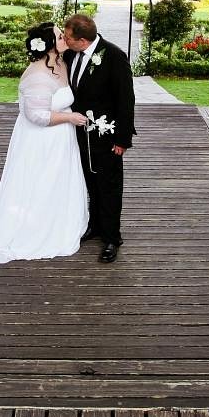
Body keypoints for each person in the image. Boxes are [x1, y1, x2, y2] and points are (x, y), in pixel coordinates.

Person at [0, 22, 90, 263]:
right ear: (47, 45)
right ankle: (34, 229)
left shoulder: (61, 62)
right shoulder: (37, 75)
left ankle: (58, 220)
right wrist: (70, 117)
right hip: (41, 140)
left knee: (55, 181)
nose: (65, 37)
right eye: (59, 36)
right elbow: (38, 116)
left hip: (59, 141)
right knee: (39, 181)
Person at [62, 14, 136, 263]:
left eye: (67, 36)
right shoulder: (70, 55)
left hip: (106, 138)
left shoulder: (114, 56)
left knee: (109, 187)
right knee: (88, 184)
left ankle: (112, 238)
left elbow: (126, 100)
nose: (64, 39)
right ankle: (93, 226)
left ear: (82, 40)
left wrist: (122, 140)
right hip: (77, 136)